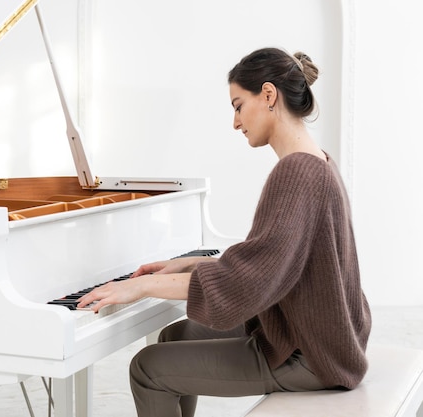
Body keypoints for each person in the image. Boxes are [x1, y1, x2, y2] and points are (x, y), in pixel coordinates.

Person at [77, 47, 372, 417]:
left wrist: (139, 286)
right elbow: (274, 256)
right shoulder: (317, 160)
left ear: (268, 95)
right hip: (320, 334)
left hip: (311, 354)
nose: (235, 122)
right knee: (174, 336)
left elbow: (249, 282)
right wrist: (190, 266)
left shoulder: (295, 172)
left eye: (237, 105)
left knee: (147, 369)